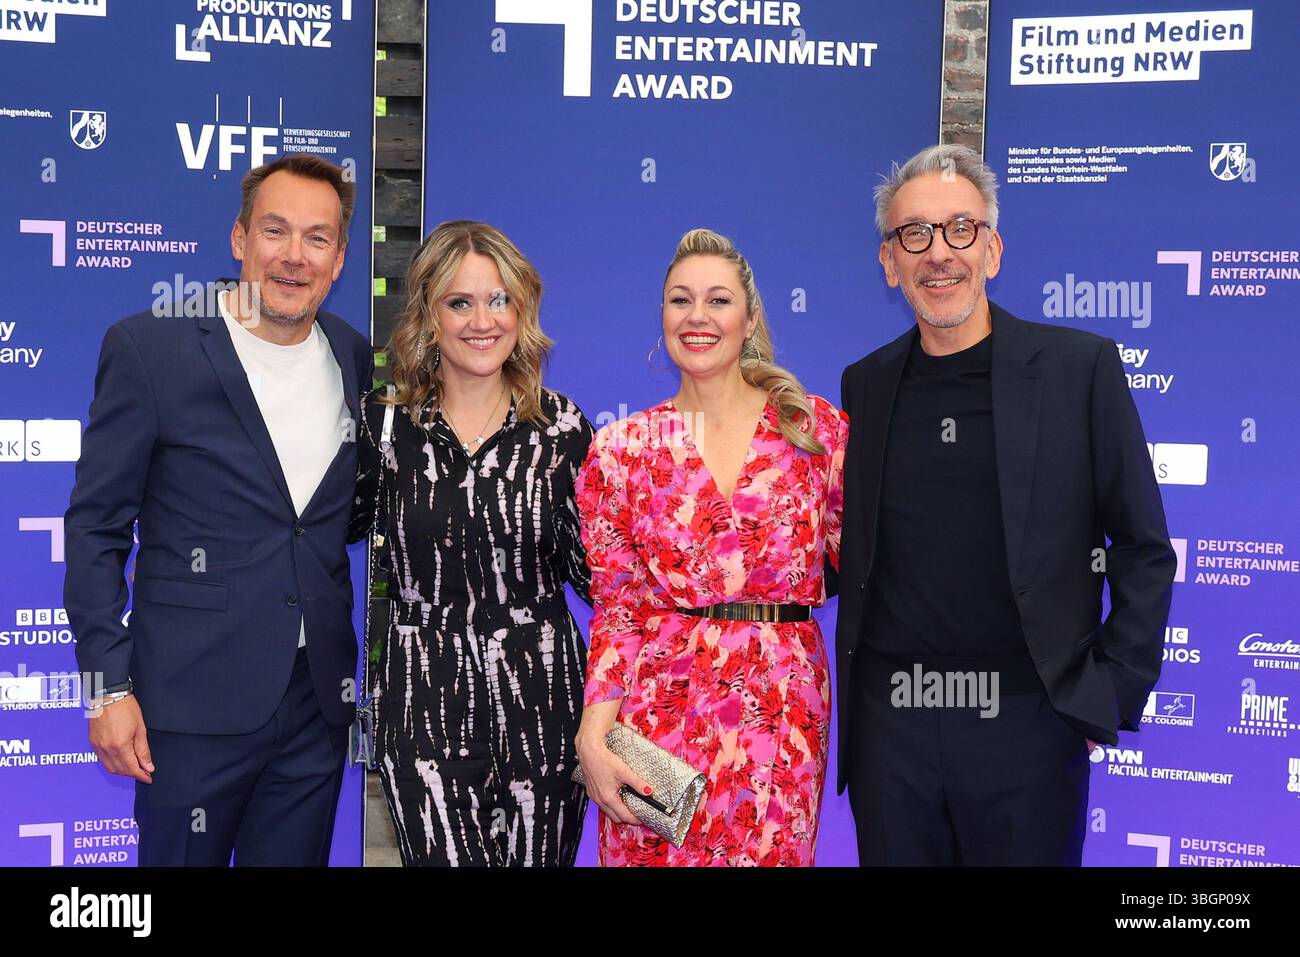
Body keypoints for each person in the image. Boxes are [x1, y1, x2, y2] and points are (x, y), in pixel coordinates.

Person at [836, 144, 1176, 865]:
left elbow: (1143, 544)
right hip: (892, 729)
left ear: (992, 249)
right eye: (914, 234)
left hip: (1029, 720)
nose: (939, 254)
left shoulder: (1078, 369)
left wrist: (1109, 689)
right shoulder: (864, 384)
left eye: (960, 228)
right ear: (888, 262)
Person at [64, 154, 372, 866]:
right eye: (276, 230)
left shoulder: (351, 356)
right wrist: (104, 689)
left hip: (315, 708)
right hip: (186, 711)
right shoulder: (152, 347)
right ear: (239, 239)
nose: (294, 256)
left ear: (340, 257)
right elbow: (94, 528)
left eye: (317, 238)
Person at [574, 228, 846, 866]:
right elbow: (617, 606)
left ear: (749, 319)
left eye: (718, 300)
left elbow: (867, 569)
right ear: (662, 317)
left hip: (784, 707)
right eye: (680, 300)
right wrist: (594, 729)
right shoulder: (622, 450)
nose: (697, 317)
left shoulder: (814, 433)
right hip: (659, 713)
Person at [350, 221, 593, 866]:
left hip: (545, 707)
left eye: (499, 300)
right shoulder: (384, 426)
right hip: (422, 706)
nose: (482, 320)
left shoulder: (561, 429)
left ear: (523, 309)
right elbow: (319, 534)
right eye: (460, 302)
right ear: (430, 314)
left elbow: (602, 576)